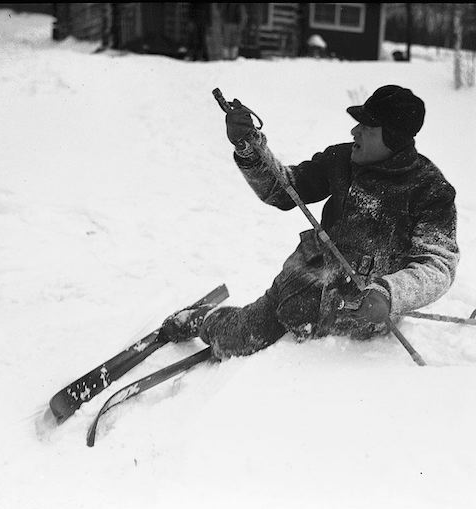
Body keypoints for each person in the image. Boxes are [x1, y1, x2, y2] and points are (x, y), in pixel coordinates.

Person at [162, 85, 460, 360]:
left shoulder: (429, 190)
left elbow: (438, 264)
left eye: (367, 127)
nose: (354, 131)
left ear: (392, 137)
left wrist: (389, 293)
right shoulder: (342, 158)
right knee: (236, 341)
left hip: (357, 318)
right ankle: (207, 319)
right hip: (300, 287)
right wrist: (250, 148)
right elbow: (283, 190)